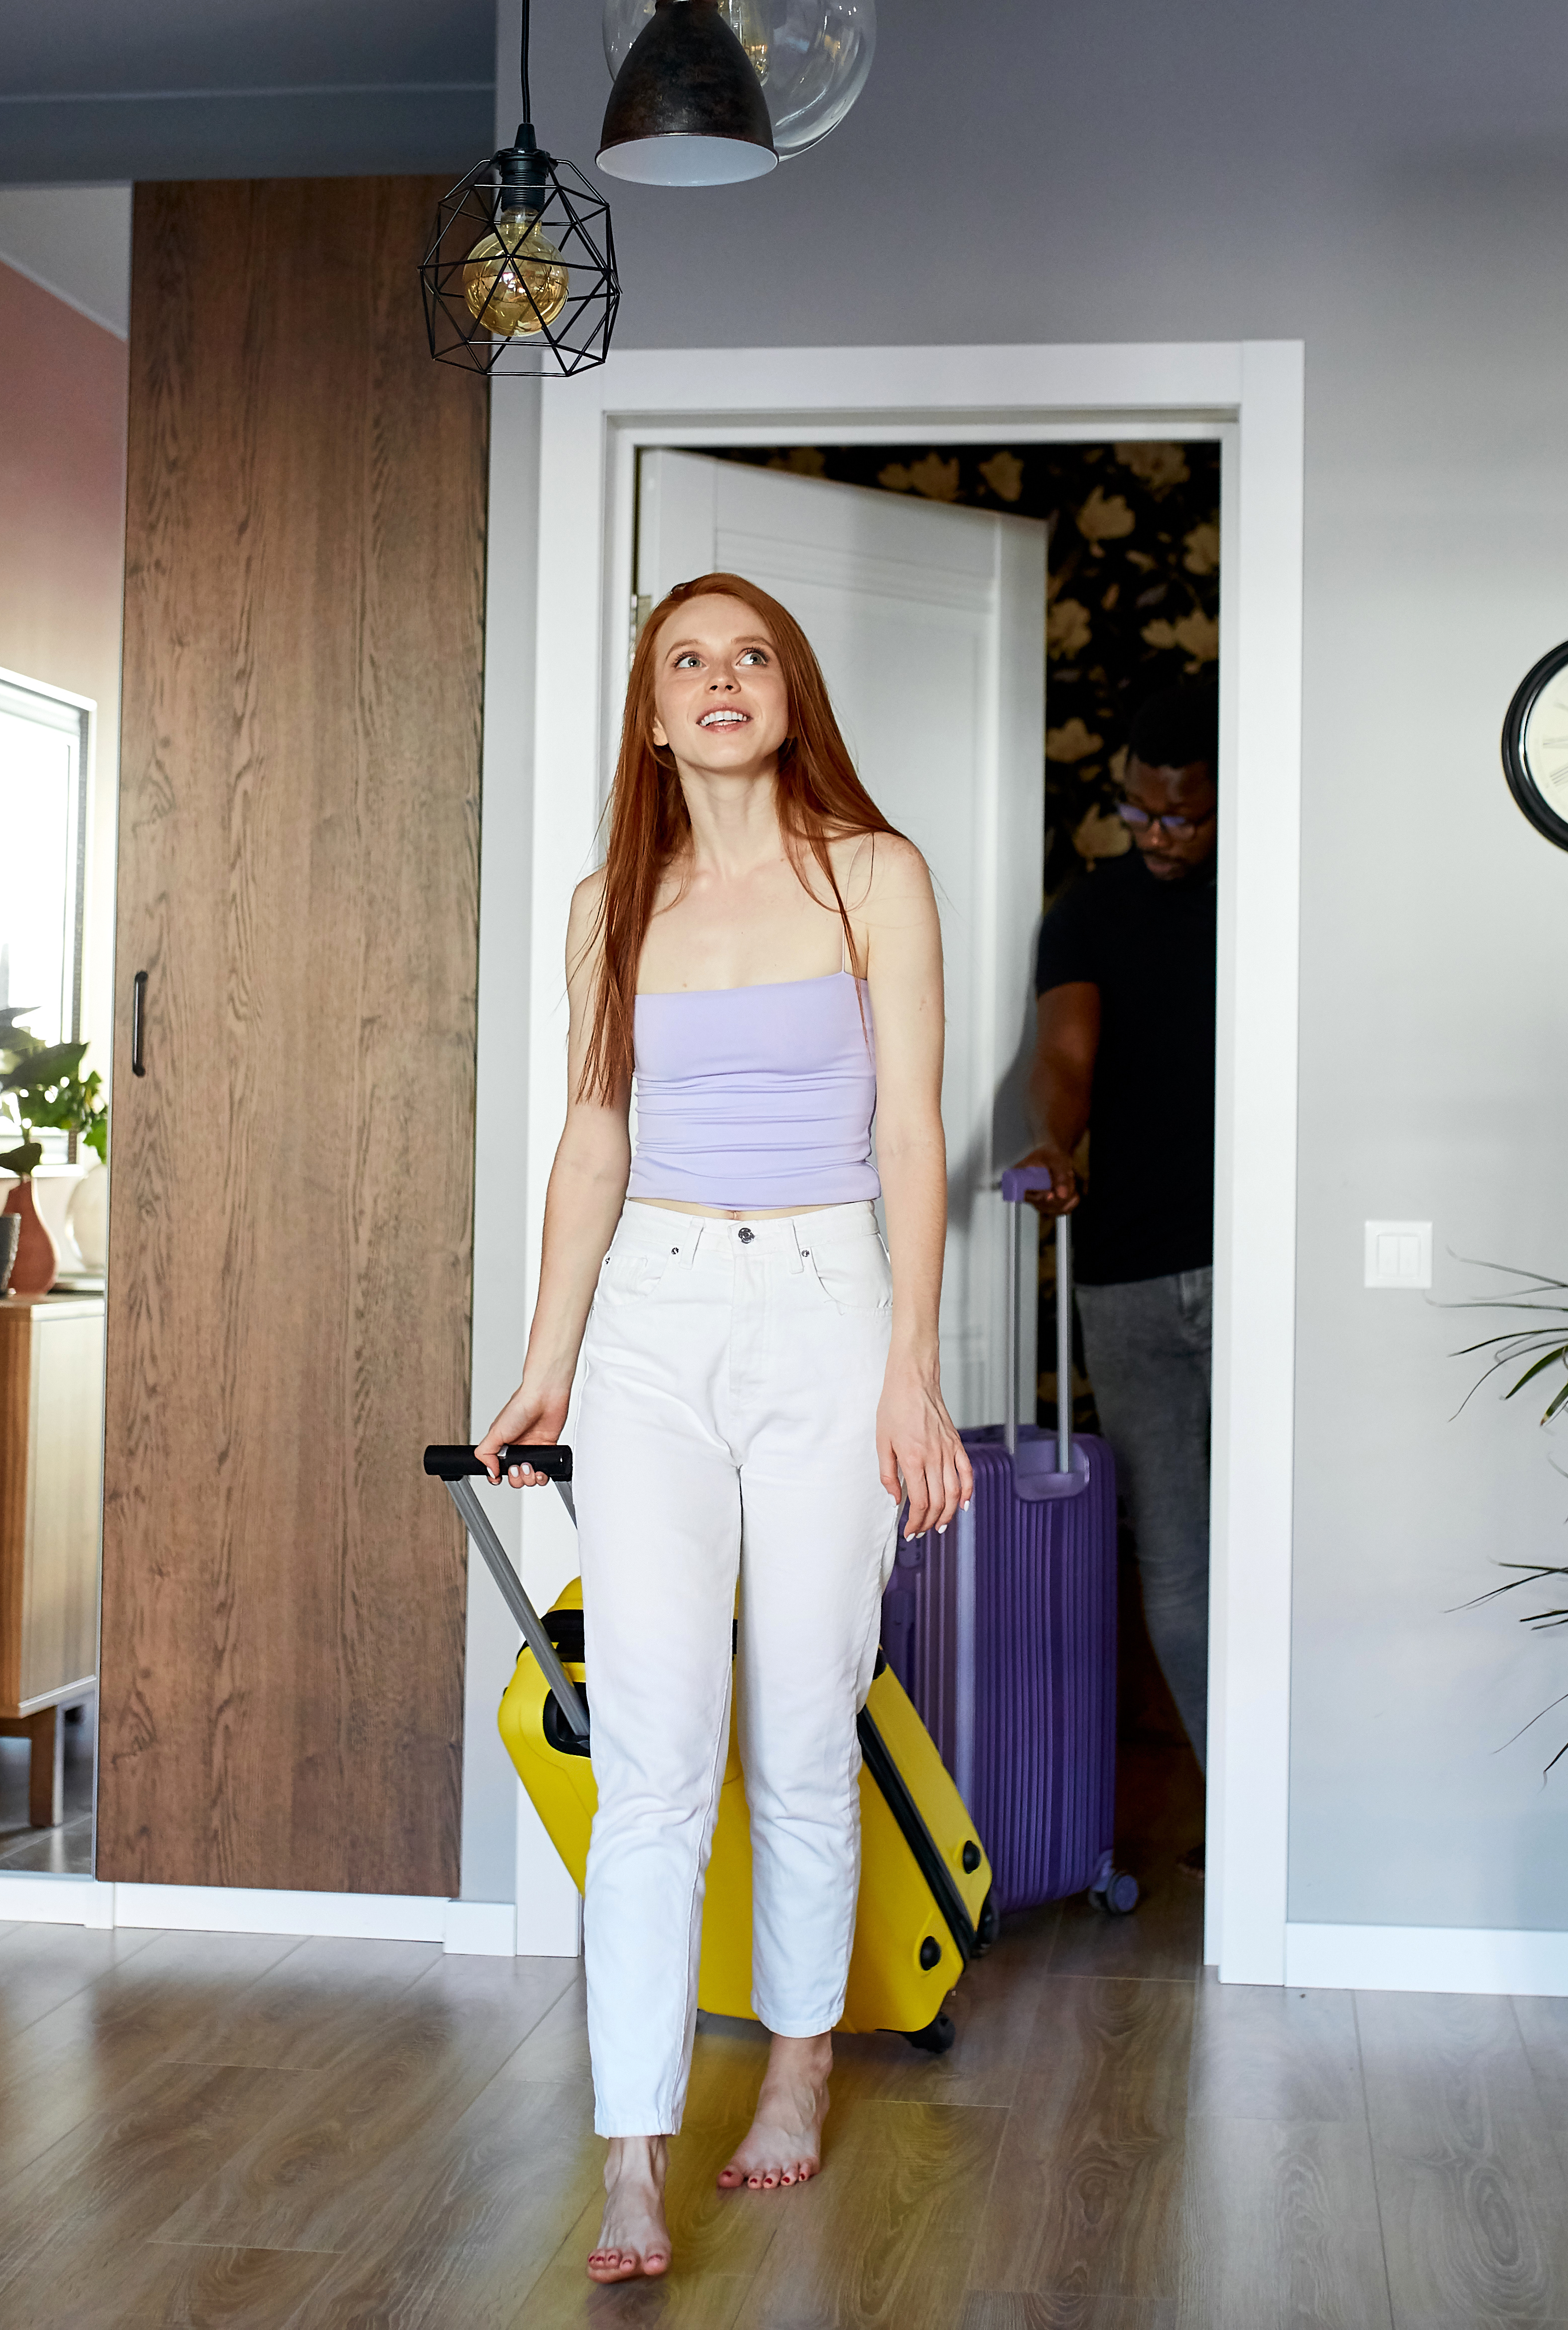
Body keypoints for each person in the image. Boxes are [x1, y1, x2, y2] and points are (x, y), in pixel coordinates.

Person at [475, 572, 973, 2285]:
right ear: (649, 706)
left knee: (803, 1725)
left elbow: (912, 1133)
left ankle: (803, 2057)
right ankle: (631, 2146)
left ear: (791, 687)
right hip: (654, 1322)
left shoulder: (874, 875)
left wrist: (914, 1366)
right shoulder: (609, 902)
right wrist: (546, 1358)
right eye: (685, 660)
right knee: (652, 1754)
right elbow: (594, 1142)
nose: (719, 680)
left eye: (749, 654)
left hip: (831, 1303)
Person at [1015, 674, 1219, 1770]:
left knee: (1281, 1541)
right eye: (1137, 810)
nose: (1154, 835)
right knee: (1175, 1564)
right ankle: (1234, 1809)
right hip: (1128, 1276)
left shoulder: (1268, 902)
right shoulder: (1089, 912)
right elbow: (1063, 1058)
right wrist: (1052, 1142)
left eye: (1180, 815)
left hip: (1255, 1268)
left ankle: (1292, 1822)